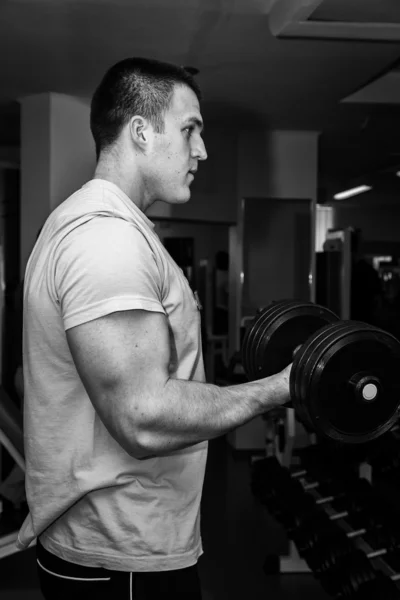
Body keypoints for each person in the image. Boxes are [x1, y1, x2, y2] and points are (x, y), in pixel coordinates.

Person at [16, 58, 291, 599]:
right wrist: (276, 389)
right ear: (140, 132)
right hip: (121, 556)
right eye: (190, 129)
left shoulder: (100, 228)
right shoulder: (106, 240)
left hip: (120, 545)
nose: (202, 151)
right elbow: (141, 420)